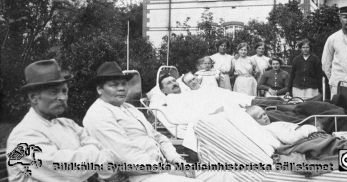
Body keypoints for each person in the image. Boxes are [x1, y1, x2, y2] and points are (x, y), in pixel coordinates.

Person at [84, 62, 229, 182]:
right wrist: (170, 170)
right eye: (114, 85)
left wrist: (177, 160)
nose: (121, 88)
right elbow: (127, 158)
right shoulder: (98, 115)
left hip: (160, 169)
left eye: (123, 84)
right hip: (138, 176)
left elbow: (158, 136)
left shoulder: (128, 108)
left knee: (222, 176)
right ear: (99, 89)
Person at [7, 59, 117, 182]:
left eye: (64, 91)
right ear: (34, 98)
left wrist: (86, 158)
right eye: (54, 92)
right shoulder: (23, 135)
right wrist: (94, 153)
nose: (63, 97)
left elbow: (107, 157)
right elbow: (73, 170)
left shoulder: (68, 124)